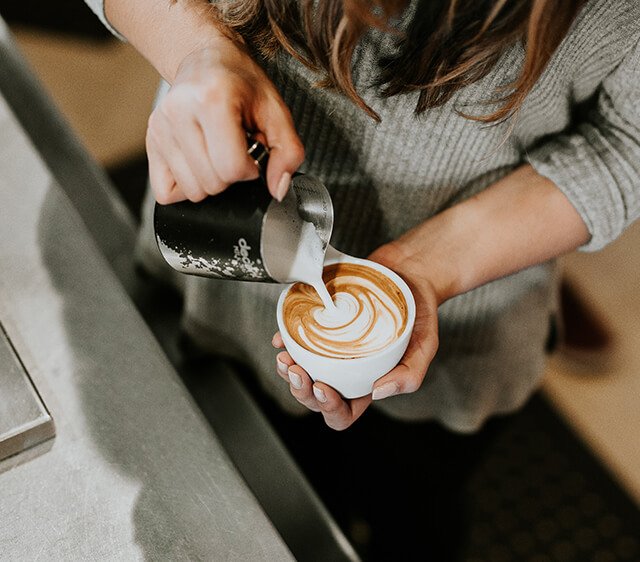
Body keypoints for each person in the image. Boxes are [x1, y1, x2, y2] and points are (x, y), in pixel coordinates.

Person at [85, 0, 640, 558]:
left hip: (464, 331)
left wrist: (430, 265)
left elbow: (626, 143)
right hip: (224, 266)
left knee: (413, 517)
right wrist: (194, 51)